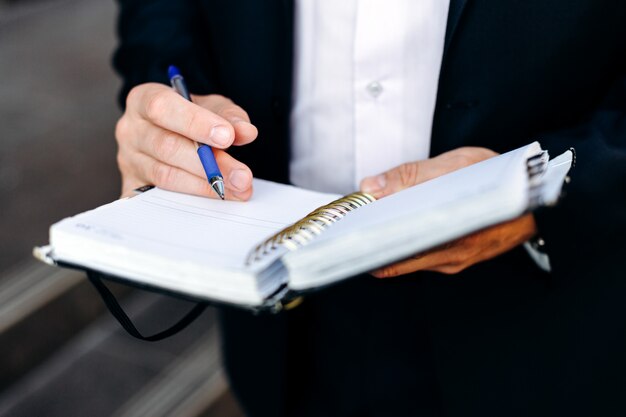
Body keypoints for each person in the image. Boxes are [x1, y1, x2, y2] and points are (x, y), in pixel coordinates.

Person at [112, 1, 626, 416]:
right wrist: (164, 100)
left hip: (541, 321)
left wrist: (546, 186)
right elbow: (160, 16)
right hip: (284, 320)